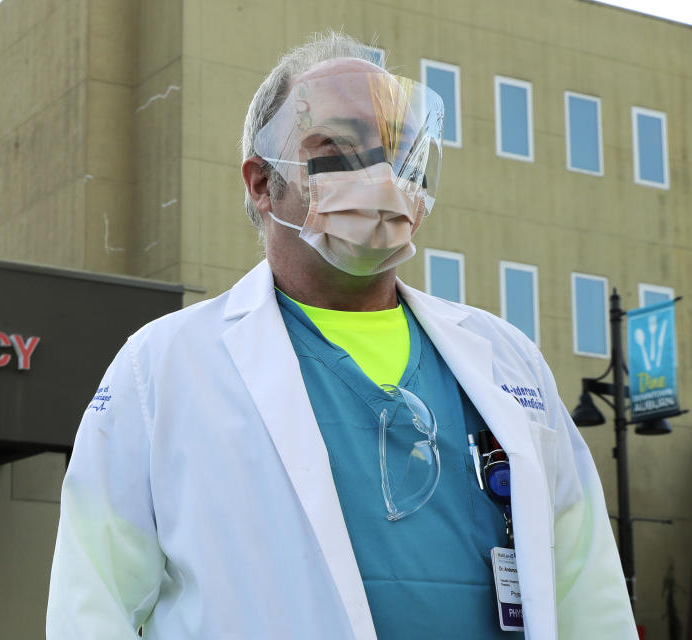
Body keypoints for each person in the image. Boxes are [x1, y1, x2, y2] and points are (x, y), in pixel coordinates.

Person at [46, 31, 636, 639]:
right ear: (260, 182)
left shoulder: (510, 360)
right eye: (336, 146)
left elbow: (586, 588)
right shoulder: (163, 367)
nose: (378, 175)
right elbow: (93, 603)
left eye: (398, 151)